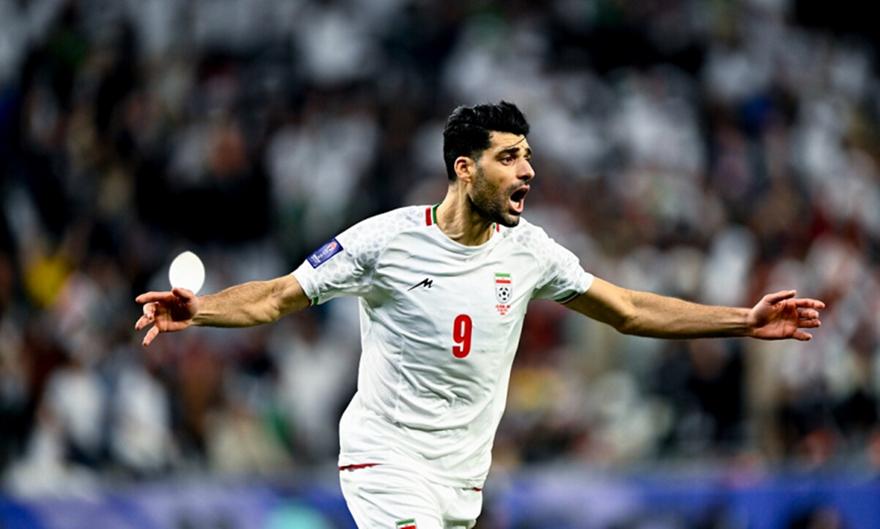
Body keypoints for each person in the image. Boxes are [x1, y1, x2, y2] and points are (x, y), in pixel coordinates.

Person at [135, 102, 825, 529]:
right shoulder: (383, 242)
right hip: (385, 458)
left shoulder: (531, 252)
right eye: (509, 157)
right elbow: (277, 295)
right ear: (465, 168)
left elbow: (629, 309)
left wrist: (744, 320)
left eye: (528, 156)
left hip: (462, 480)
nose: (528, 171)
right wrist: (201, 311)